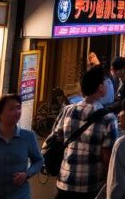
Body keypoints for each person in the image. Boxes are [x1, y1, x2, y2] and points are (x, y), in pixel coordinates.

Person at [47, 65, 119, 199]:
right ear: (100, 88)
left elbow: (55, 138)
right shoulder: (108, 119)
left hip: (65, 180)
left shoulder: (67, 110)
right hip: (91, 184)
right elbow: (108, 158)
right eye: (105, 82)